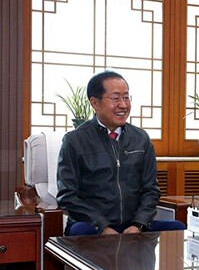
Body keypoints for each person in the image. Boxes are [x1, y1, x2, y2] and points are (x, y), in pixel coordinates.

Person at [57, 70, 186, 236]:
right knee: (79, 231)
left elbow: (151, 190)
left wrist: (138, 225)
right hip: (93, 226)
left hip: (133, 225)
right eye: (115, 98)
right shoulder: (74, 141)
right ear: (95, 103)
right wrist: (102, 227)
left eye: (126, 97)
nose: (123, 105)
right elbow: (68, 196)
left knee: (177, 228)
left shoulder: (141, 138)